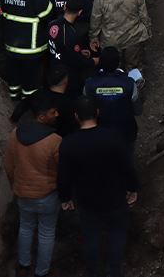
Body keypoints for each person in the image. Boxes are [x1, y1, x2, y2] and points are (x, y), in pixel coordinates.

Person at [59, 95, 139, 277]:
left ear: (76, 117)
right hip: (115, 197)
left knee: (90, 237)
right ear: (97, 113)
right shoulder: (113, 138)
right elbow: (127, 167)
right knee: (117, 235)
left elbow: (64, 175)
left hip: (86, 200)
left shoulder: (68, 144)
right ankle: (113, 271)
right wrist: (133, 189)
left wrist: (65, 197)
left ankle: (94, 271)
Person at [3, 92, 62, 277]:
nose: (57, 114)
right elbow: (63, 169)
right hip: (48, 195)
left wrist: (16, 183)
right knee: (46, 232)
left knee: (25, 227)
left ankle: (23, 265)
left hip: (22, 193)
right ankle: (42, 272)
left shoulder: (15, 135)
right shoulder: (55, 141)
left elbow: (8, 165)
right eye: (53, 112)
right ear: (42, 116)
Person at [0, 0, 52, 100]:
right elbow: (47, 14)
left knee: (14, 76)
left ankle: (13, 98)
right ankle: (28, 103)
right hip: (31, 48)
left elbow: (2, 11)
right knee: (31, 80)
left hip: (11, 45)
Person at [89, 0, 151, 71]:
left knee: (112, 68)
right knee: (133, 68)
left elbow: (96, 18)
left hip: (110, 40)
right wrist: (148, 30)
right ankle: (134, 87)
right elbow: (143, 15)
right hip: (133, 37)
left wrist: (93, 37)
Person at [83, 47, 140, 147]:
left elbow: (85, 109)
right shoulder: (129, 83)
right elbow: (138, 110)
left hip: (99, 133)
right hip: (125, 132)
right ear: (118, 63)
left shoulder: (89, 84)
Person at [47, 0, 94, 94]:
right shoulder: (70, 33)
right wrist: (94, 61)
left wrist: (79, 52)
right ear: (80, 12)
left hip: (52, 68)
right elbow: (75, 59)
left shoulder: (52, 24)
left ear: (64, 7)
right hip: (66, 75)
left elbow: (62, 48)